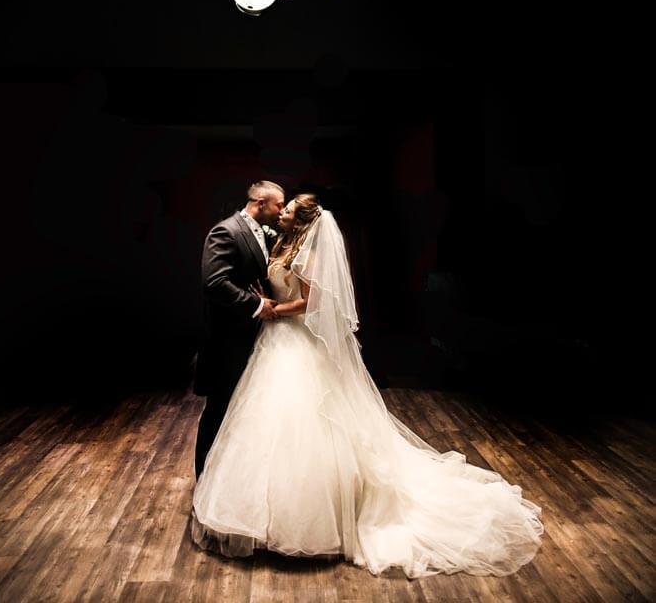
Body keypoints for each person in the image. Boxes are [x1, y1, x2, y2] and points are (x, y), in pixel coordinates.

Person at [191, 194, 544, 579]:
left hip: (293, 339)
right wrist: (264, 300)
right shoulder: (281, 243)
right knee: (265, 424)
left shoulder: (307, 255)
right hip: (273, 343)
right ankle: (257, 509)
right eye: (282, 206)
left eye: (289, 208)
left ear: (303, 219)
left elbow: (311, 302)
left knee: (306, 423)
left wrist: (274, 310)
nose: (283, 212)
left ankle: (316, 514)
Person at [192, 180, 285, 480]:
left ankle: (233, 482)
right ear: (260, 203)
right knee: (219, 411)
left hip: (252, 340)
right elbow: (214, 283)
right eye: (278, 205)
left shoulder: (264, 233)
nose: (281, 211)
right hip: (226, 343)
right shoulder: (226, 231)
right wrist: (257, 306)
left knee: (244, 411)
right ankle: (205, 481)